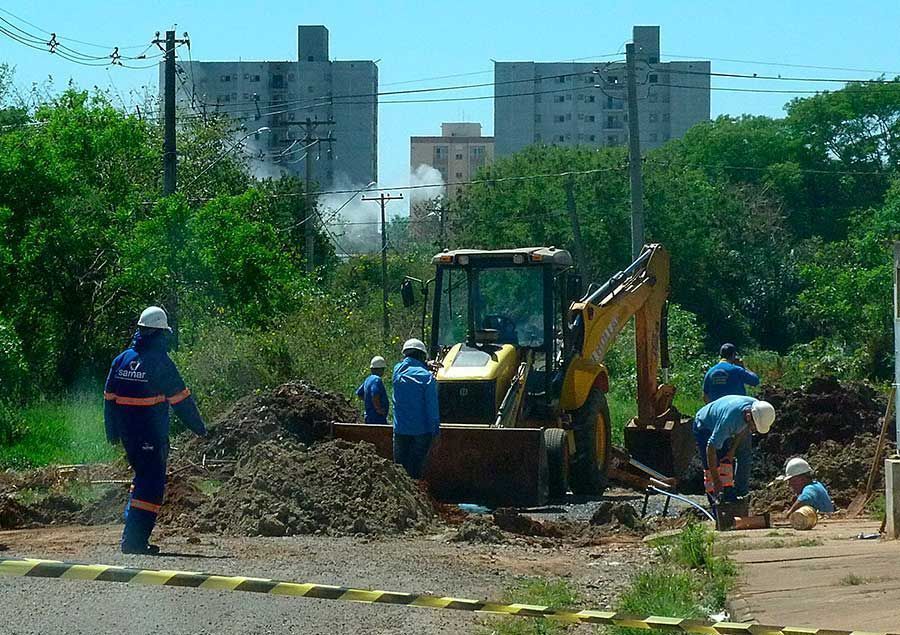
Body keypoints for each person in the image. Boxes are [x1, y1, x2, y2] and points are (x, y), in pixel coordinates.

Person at [104, 306, 207, 555]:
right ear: (160, 334)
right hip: (151, 437)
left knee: (141, 482)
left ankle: (132, 536)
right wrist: (200, 429)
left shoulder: (122, 359)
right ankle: (134, 542)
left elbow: (109, 399)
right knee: (149, 487)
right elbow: (181, 401)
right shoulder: (160, 364)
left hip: (129, 437)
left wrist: (112, 432)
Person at [693, 395, 775, 506]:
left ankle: (728, 496)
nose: (754, 429)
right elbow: (710, 448)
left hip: (721, 419)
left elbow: (742, 429)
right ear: (749, 416)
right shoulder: (729, 422)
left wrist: (732, 451)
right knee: (712, 469)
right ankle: (715, 502)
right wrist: (716, 481)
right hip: (704, 425)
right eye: (754, 426)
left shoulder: (756, 407)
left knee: (725, 463)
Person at [391, 338, 440, 479]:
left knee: (400, 470)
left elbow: (408, 364)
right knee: (416, 468)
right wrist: (436, 433)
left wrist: (425, 364)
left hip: (400, 430)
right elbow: (432, 409)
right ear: (422, 356)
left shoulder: (397, 371)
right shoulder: (427, 378)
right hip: (422, 432)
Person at [356, 355, 389, 424]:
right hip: (377, 418)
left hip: (369, 417)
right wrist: (378, 409)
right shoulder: (377, 380)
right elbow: (375, 394)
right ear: (381, 369)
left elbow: (359, 394)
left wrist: (369, 401)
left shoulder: (368, 379)